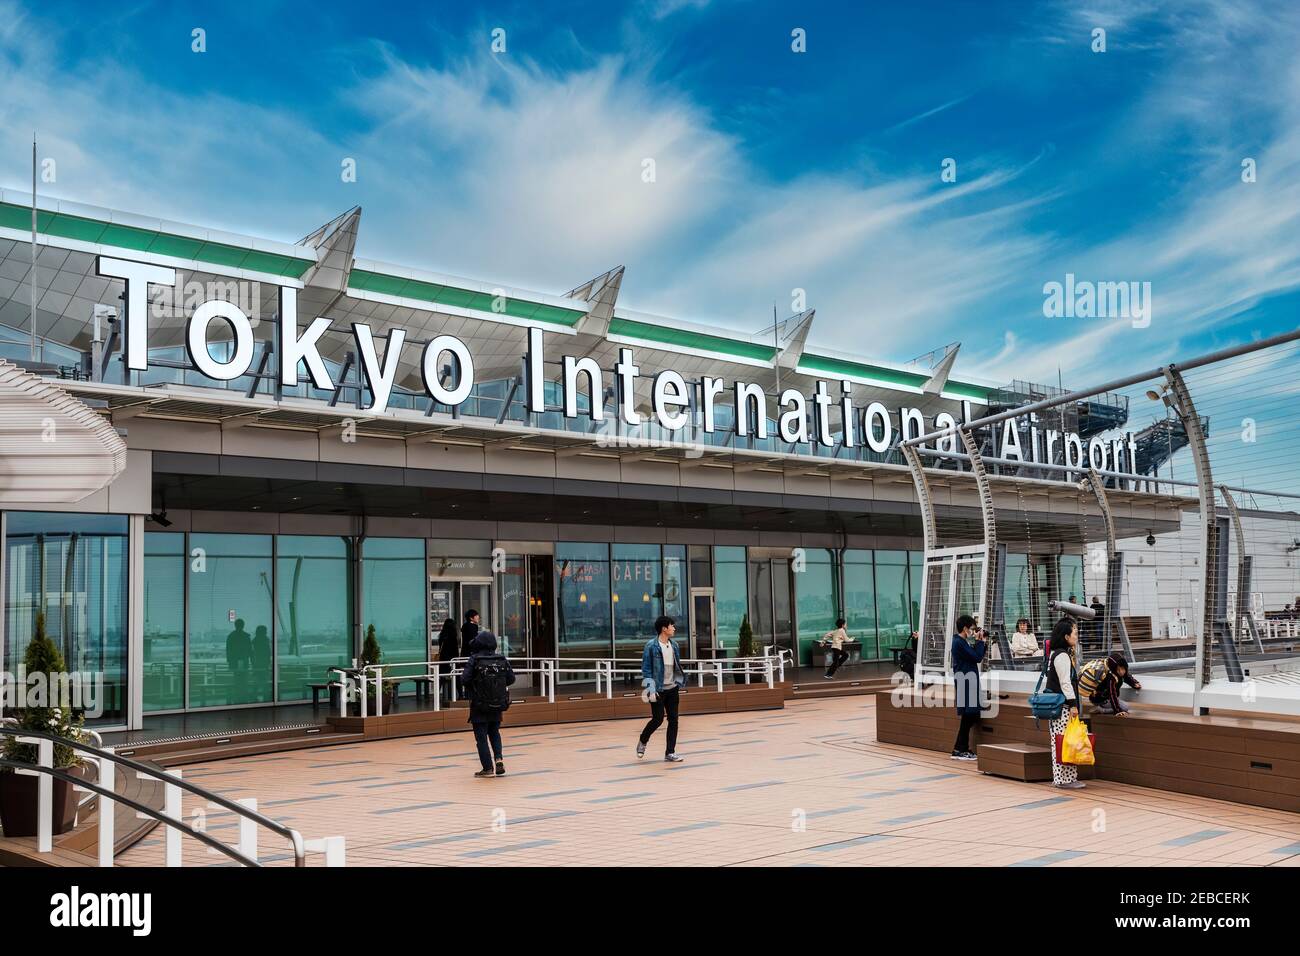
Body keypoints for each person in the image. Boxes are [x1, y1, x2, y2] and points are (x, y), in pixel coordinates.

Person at [462, 630, 516, 778]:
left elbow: (464, 679)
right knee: (495, 732)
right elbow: (511, 678)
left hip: (479, 704)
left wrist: (476, 685)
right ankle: (498, 759)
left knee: (481, 738)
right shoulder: (501, 658)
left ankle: (487, 768)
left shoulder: (475, 659)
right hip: (497, 703)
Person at [637, 615, 686, 762]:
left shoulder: (674, 645)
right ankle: (643, 740)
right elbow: (646, 669)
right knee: (657, 719)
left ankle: (670, 752)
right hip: (657, 689)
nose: (674, 628)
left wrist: (679, 682)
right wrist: (651, 689)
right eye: (672, 626)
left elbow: (676, 666)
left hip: (672, 688)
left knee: (674, 720)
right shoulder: (651, 646)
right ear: (664, 629)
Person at [1045, 617, 1084, 789]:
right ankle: (1062, 779)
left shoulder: (1060, 654)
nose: (1076, 636)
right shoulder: (1061, 656)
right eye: (1074, 633)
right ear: (1066, 636)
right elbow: (1065, 683)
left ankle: (1068, 778)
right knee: (1062, 741)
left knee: (1065, 740)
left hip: (1059, 705)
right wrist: (1073, 704)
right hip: (1062, 707)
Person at [949, 614, 986, 761]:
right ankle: (959, 749)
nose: (974, 631)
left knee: (971, 714)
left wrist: (980, 641)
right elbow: (976, 657)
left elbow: (977, 655)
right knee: (968, 715)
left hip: (967, 680)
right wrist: (980, 642)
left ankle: (961, 748)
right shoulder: (959, 643)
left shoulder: (962, 641)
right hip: (966, 681)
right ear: (965, 628)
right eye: (972, 628)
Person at [1080, 652, 1141, 716]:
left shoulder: (1116, 672)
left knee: (1123, 706)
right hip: (1101, 699)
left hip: (1101, 697)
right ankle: (1101, 709)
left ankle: (1102, 707)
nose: (1121, 672)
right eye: (1118, 670)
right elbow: (1112, 694)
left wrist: (1134, 683)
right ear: (1114, 669)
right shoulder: (1111, 677)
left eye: (1123, 669)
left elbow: (1126, 676)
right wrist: (1117, 710)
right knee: (1125, 707)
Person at [435, 618, 460, 699]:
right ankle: (460, 694)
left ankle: (437, 694)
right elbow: (455, 650)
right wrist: (457, 660)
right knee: (456, 677)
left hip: (443, 660)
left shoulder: (442, 635)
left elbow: (441, 649)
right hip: (452, 660)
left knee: (441, 678)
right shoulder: (453, 636)